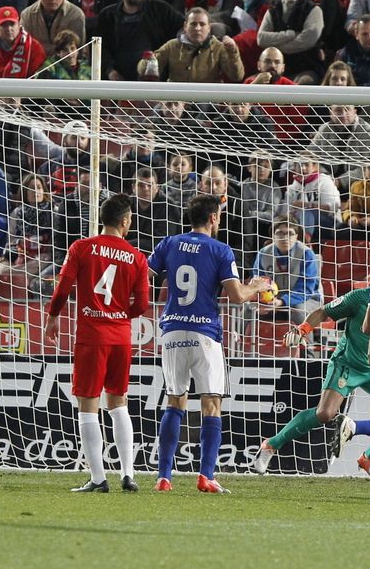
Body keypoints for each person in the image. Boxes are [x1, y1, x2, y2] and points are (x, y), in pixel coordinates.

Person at [147, 194, 274, 493]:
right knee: (211, 403)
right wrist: (256, 286)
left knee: (174, 400)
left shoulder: (168, 243)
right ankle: (206, 476)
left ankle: (163, 477)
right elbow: (236, 297)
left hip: (172, 330)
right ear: (214, 219)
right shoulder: (221, 250)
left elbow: (147, 276)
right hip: (204, 333)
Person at [256, 248, 370, 473]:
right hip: (348, 364)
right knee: (325, 414)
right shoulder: (361, 298)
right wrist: (302, 330)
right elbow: (322, 312)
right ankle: (271, 444)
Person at [46, 192, 150, 493]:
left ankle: (98, 478)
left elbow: (63, 286)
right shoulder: (137, 257)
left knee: (88, 404)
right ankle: (128, 474)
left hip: (92, 337)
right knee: (118, 402)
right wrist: (120, 314)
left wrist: (53, 316)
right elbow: (142, 305)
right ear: (126, 221)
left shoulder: (81, 247)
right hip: (121, 337)